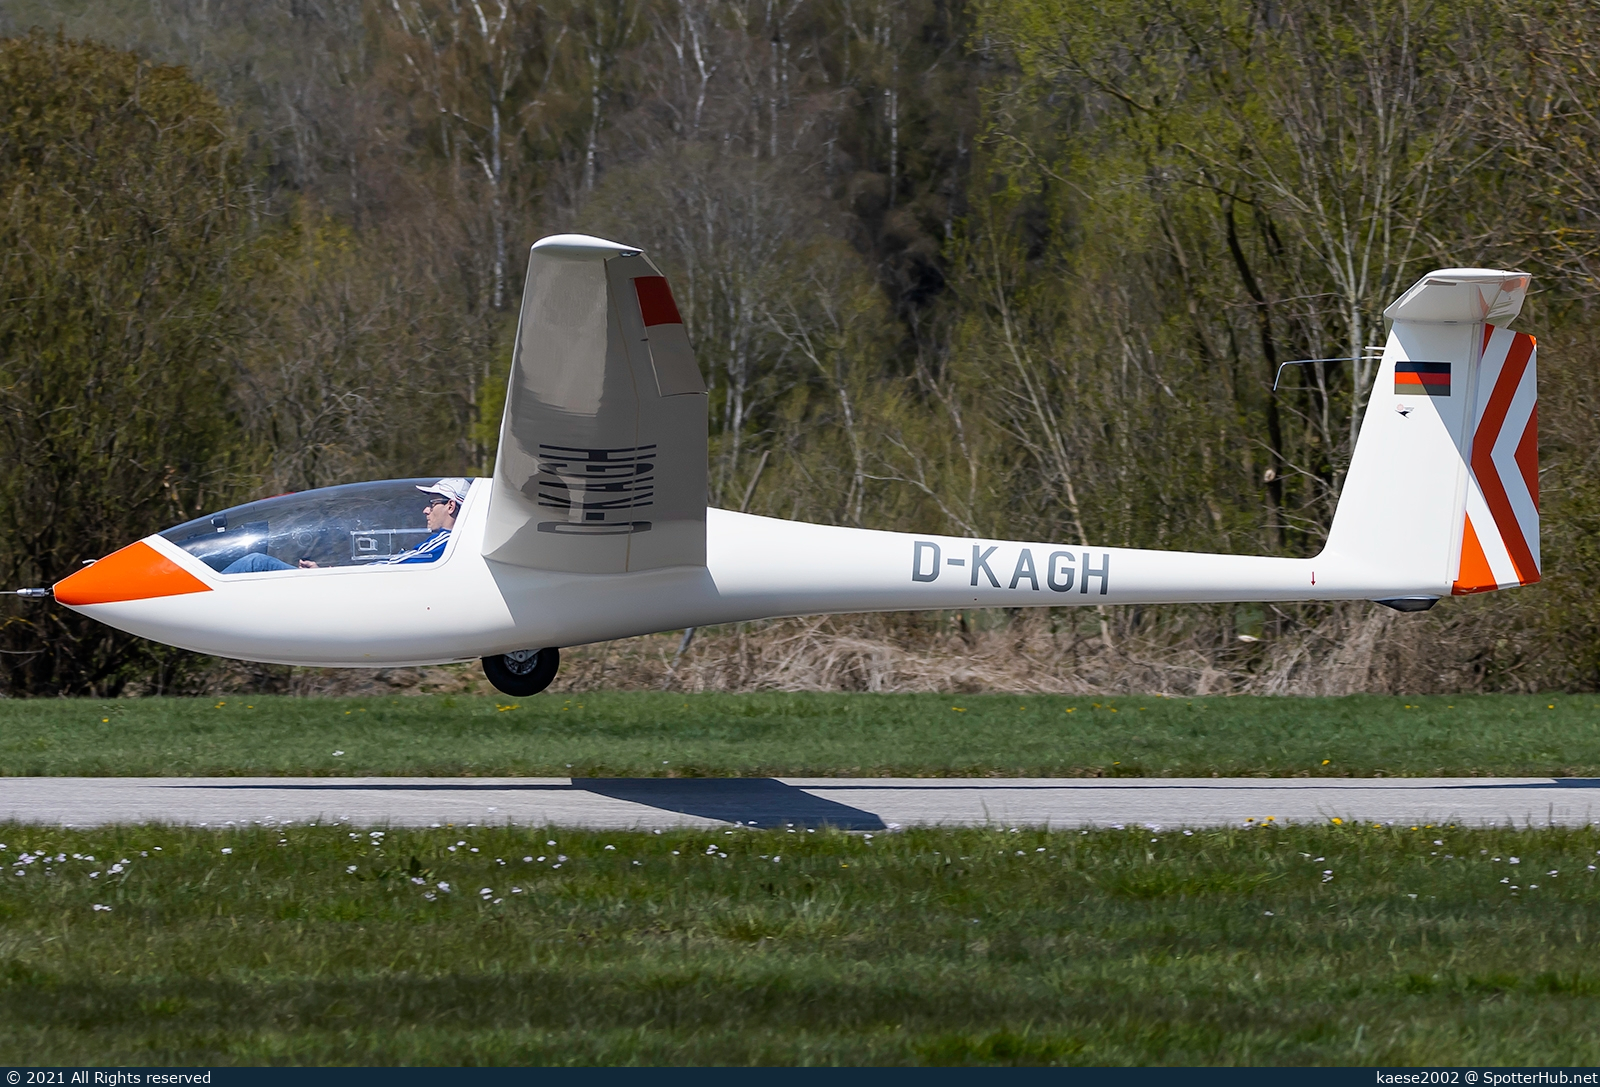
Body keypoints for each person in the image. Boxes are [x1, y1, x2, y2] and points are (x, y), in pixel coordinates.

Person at [219, 477, 469, 573]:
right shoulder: (439, 543)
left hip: (353, 595)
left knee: (256, 563)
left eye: (433, 503)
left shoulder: (445, 542)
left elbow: (392, 567)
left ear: (450, 507)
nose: (426, 509)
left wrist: (331, 573)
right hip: (352, 588)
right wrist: (327, 570)